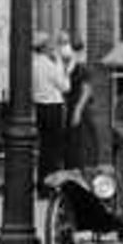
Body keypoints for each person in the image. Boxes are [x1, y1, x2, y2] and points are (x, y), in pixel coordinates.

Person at [31, 32, 76, 175]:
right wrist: (65, 69)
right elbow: (65, 87)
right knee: (53, 147)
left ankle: (42, 181)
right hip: (53, 107)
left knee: (44, 146)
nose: (52, 47)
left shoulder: (33, 64)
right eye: (50, 44)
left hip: (39, 107)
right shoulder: (50, 65)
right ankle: (50, 181)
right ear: (44, 47)